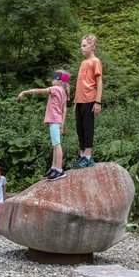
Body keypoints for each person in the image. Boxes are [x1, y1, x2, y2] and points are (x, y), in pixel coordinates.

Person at [17, 70, 70, 181]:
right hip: (57, 120)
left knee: (57, 145)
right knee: (55, 145)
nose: (52, 80)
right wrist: (62, 124)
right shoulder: (64, 92)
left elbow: (39, 91)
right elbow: (64, 110)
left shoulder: (55, 89)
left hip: (54, 120)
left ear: (59, 81)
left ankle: (59, 170)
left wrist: (24, 92)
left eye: (54, 78)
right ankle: (54, 168)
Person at [72, 34, 103, 168]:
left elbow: (99, 82)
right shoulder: (83, 62)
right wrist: (75, 102)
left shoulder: (95, 61)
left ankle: (88, 156)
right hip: (80, 100)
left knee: (88, 127)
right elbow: (79, 84)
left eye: (84, 45)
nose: (81, 48)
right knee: (80, 128)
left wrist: (98, 102)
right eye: (81, 45)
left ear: (92, 46)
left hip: (90, 99)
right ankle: (82, 154)